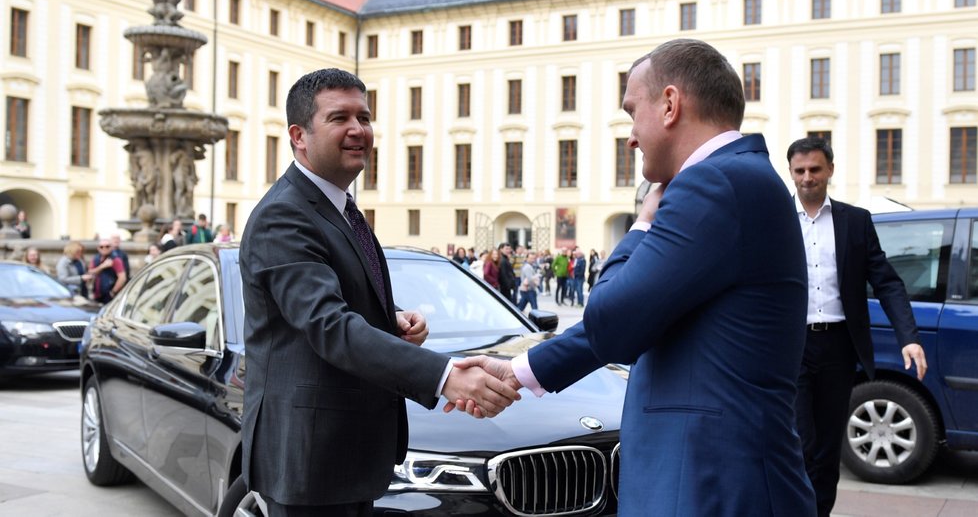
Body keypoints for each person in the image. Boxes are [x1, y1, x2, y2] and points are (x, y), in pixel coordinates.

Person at [453, 39, 817, 515]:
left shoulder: (714, 183)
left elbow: (611, 318)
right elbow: (645, 314)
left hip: (710, 483)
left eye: (632, 111)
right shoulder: (736, 179)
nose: (630, 136)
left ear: (669, 104)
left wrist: (642, 223)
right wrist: (522, 371)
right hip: (713, 477)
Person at [238, 68, 519, 516]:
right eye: (339, 118)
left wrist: (393, 318)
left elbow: (339, 298)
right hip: (311, 462)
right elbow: (329, 326)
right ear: (299, 136)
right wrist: (446, 377)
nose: (358, 130)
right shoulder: (283, 217)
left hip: (346, 454)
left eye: (364, 117)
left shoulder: (338, 207)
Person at [786, 136, 927, 517]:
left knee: (828, 449)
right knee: (800, 443)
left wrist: (909, 339)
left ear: (829, 169)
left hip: (838, 348)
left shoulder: (855, 221)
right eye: (799, 171)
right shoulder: (776, 220)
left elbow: (888, 282)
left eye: (815, 169)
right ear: (791, 173)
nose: (807, 178)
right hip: (791, 348)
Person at [89, 239, 127, 304]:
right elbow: (90, 272)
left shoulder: (116, 260)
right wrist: (102, 266)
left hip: (109, 296)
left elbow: (122, 278)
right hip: (97, 295)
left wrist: (113, 292)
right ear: (98, 248)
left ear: (111, 247)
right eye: (101, 247)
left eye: (107, 246)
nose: (104, 248)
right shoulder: (96, 259)